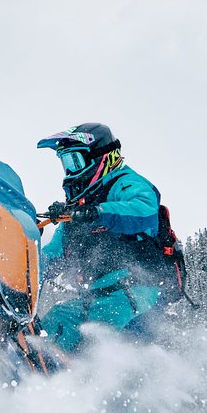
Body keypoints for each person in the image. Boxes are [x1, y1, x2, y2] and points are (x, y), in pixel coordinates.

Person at [33, 122, 181, 353]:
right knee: (53, 322)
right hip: (94, 299)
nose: (70, 172)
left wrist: (97, 213)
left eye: (75, 161)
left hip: (137, 295)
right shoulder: (76, 216)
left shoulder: (124, 184)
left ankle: (99, 383)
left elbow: (144, 208)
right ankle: (34, 373)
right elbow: (48, 260)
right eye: (66, 164)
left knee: (98, 341)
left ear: (101, 158)